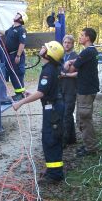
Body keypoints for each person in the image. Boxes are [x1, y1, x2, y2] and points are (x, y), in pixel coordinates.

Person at [13, 41, 65, 183]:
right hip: (54, 106)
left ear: (49, 54)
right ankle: (52, 170)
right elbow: (46, 90)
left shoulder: (48, 70)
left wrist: (20, 103)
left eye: (45, 48)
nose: (42, 48)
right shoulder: (53, 67)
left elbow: (42, 93)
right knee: (52, 138)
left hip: (52, 108)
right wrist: (32, 93)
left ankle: (55, 175)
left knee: (51, 140)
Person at [64, 28, 99, 157]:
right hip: (88, 89)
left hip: (86, 90)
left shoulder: (86, 52)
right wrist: (73, 60)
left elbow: (73, 68)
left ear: (88, 38)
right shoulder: (91, 51)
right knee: (81, 119)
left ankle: (91, 148)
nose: (79, 37)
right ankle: (88, 144)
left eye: (82, 35)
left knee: (84, 119)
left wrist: (68, 65)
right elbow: (81, 61)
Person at [4, 11, 28, 101]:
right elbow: (5, 33)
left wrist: (18, 55)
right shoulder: (11, 28)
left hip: (16, 55)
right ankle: (17, 93)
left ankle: (21, 94)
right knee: (12, 74)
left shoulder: (21, 30)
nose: (16, 15)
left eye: (18, 15)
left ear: (21, 19)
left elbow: (22, 43)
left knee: (18, 74)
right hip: (9, 55)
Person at [60, 35, 78, 148]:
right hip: (61, 88)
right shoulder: (59, 55)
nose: (66, 44)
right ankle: (72, 138)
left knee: (66, 114)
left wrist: (65, 74)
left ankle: (64, 140)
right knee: (65, 113)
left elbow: (77, 73)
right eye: (65, 42)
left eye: (69, 43)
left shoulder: (76, 56)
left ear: (72, 44)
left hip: (71, 89)